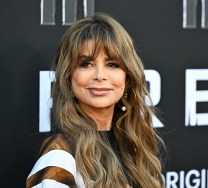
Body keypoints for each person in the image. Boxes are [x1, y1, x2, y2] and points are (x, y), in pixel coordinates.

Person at [26, 13, 165, 188]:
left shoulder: (134, 145)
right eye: (86, 64)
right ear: (68, 76)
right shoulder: (60, 155)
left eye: (112, 64)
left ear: (127, 77)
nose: (100, 76)